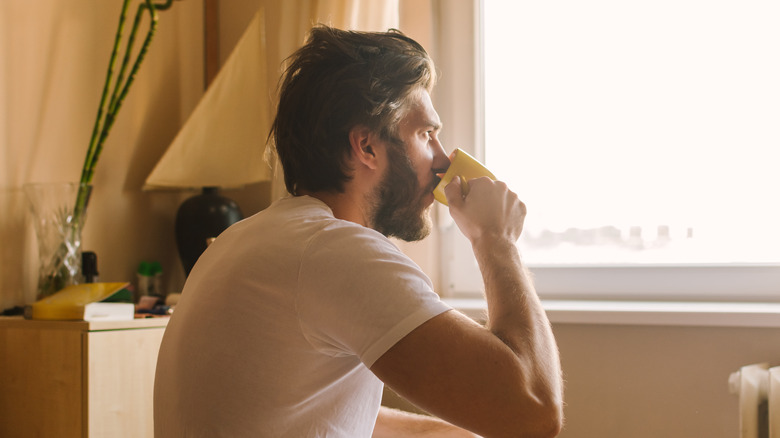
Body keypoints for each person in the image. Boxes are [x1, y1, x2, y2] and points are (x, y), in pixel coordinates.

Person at [154, 25, 563, 438]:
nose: (443, 161)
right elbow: (533, 413)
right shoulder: (338, 251)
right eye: (426, 134)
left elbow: (313, 411)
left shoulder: (246, 240)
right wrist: (496, 239)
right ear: (366, 147)